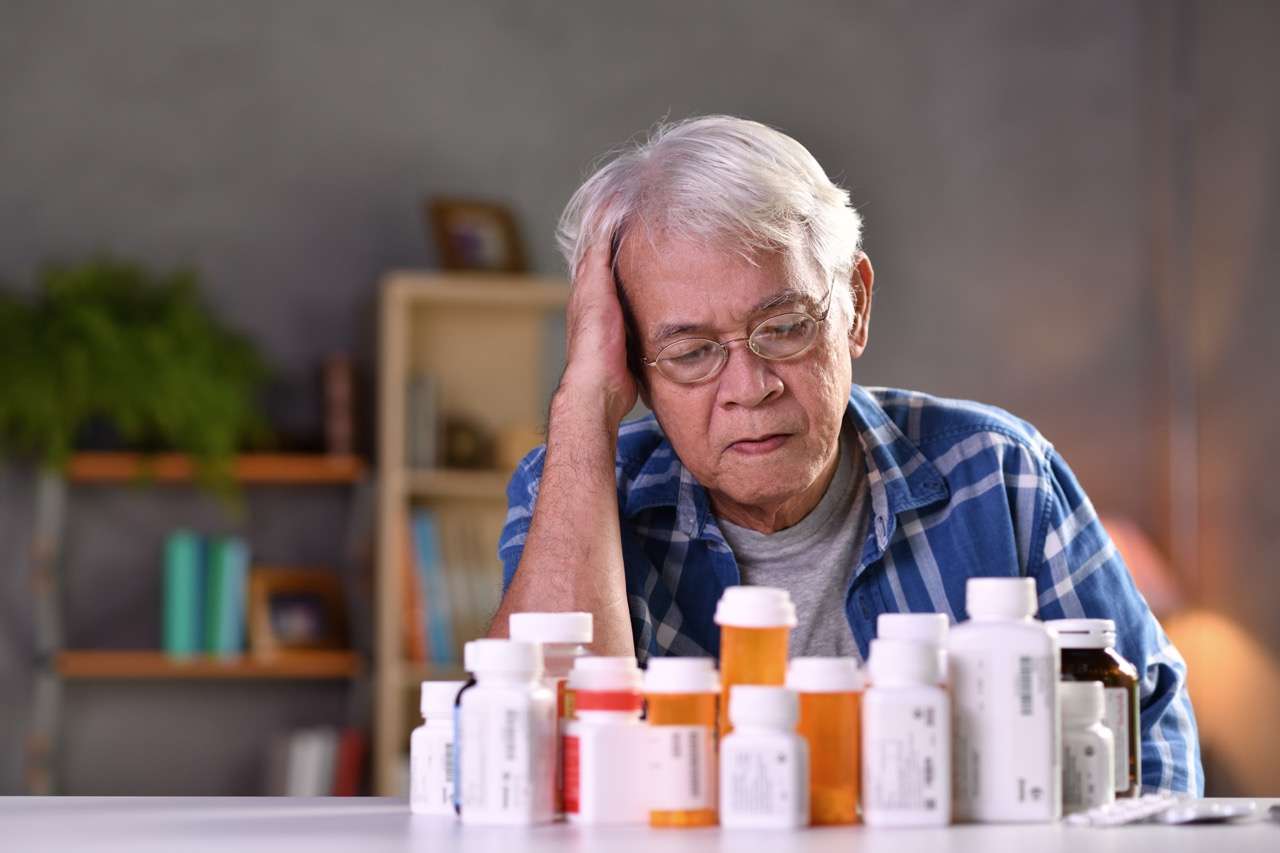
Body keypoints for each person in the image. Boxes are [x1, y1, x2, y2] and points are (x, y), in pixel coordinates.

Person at [487, 115, 1201, 794]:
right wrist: (582, 398)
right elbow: (530, 770)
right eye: (692, 353)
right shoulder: (582, 491)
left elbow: (1153, 750)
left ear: (855, 304)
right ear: (635, 366)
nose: (751, 387)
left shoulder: (1001, 474)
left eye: (786, 326)